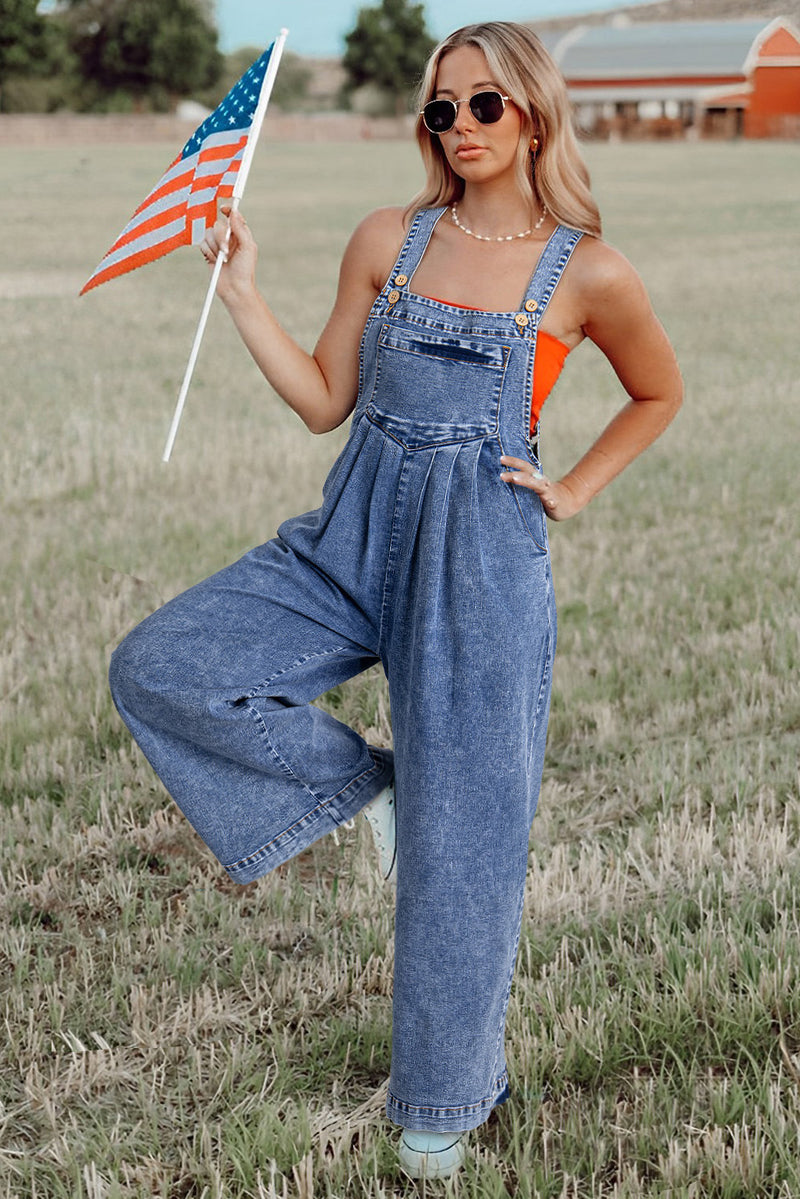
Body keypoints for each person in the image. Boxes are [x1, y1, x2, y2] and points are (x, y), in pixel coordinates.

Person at [109, 21, 682, 1181]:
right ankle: (359, 784)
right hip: (349, 538)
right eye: (440, 109)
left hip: (480, 567)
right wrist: (241, 294)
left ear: (531, 113)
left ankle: (441, 1099)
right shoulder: (389, 237)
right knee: (161, 663)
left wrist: (570, 485)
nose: (459, 127)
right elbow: (326, 399)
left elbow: (656, 391)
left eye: (483, 106)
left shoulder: (586, 270)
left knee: (462, 847)